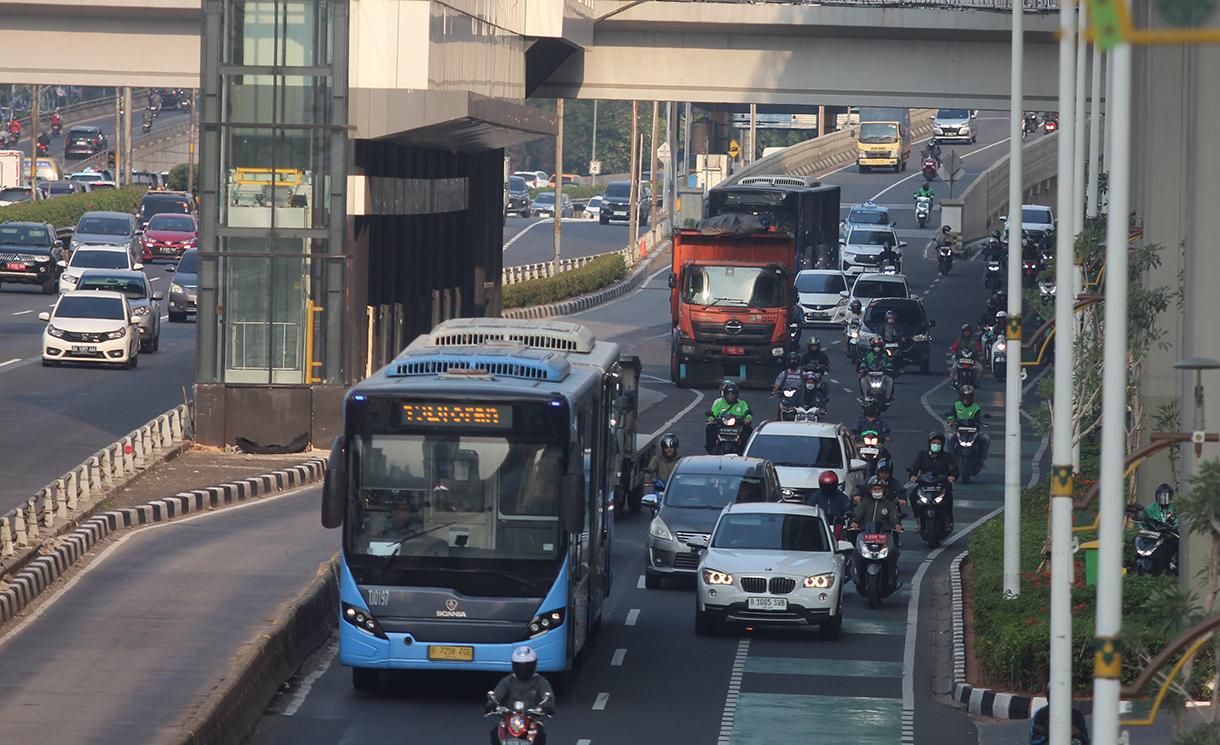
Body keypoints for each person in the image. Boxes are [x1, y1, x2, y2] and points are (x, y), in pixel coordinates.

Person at [487, 646, 554, 745]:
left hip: (533, 718)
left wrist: (547, 706)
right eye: (520, 665)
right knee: (495, 731)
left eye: (527, 665)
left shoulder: (540, 682)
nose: (523, 669)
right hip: (509, 719)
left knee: (539, 733)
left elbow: (548, 696)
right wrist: (492, 703)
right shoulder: (507, 681)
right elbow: (497, 694)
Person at [908, 432, 960, 531]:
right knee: (912, 496)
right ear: (929, 444)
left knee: (948, 497)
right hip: (924, 484)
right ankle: (919, 522)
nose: (936, 445)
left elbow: (954, 469)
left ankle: (947, 523)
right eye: (934, 442)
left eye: (938, 443)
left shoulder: (947, 456)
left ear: (942, 445)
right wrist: (912, 476)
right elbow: (914, 467)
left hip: (941, 484)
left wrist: (952, 477)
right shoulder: (923, 455)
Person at [946, 385, 991, 465]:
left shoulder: (976, 408)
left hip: (972, 432)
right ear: (961, 397)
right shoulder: (957, 405)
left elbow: (977, 419)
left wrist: (978, 423)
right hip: (960, 431)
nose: (967, 399)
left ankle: (981, 460)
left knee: (986, 438)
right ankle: (951, 459)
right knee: (950, 437)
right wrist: (951, 419)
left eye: (969, 397)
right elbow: (952, 415)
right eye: (965, 396)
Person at [706, 381, 753, 454]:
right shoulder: (719, 404)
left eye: (733, 395)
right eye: (728, 395)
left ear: (736, 395)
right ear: (725, 395)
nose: (730, 397)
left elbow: (748, 413)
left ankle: (745, 453)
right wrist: (711, 419)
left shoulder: (742, 404)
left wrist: (748, 419)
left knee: (747, 433)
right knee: (710, 432)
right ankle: (710, 451)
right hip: (721, 426)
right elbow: (712, 413)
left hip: (737, 427)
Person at [857, 338, 894, 403]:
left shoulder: (885, 353)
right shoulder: (868, 353)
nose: (877, 348)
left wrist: (888, 366)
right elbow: (864, 361)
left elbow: (888, 361)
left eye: (878, 346)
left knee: (890, 380)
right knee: (862, 380)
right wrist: (862, 367)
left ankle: (888, 397)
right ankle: (864, 396)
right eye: (875, 346)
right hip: (870, 372)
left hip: (882, 372)